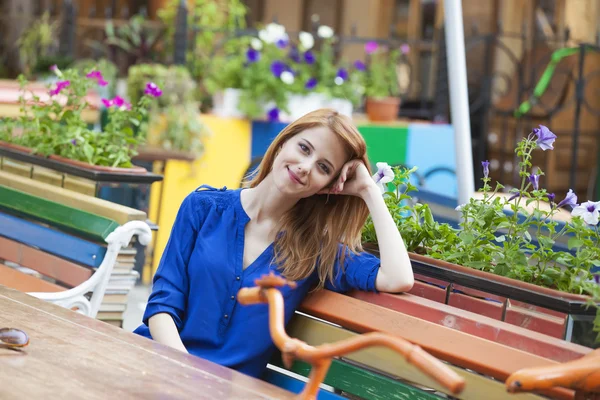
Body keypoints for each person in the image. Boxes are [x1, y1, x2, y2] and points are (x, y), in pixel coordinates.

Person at [133, 108, 414, 378]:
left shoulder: (315, 251)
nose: (305, 167)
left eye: (323, 167)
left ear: (328, 185)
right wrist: (183, 371)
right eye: (304, 148)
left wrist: (367, 190)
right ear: (283, 142)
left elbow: (397, 278)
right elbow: (162, 306)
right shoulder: (203, 208)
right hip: (159, 362)